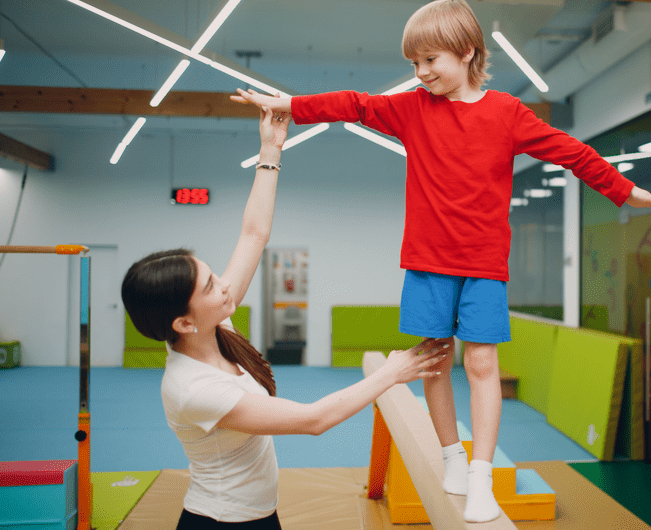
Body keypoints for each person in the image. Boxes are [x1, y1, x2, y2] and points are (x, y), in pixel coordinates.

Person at [230, 0, 651, 522]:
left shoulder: (507, 114)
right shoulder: (413, 109)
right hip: (427, 261)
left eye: (430, 60)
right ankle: (451, 456)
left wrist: (623, 190)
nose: (420, 73)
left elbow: (570, 152)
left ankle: (480, 475)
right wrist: (292, 106)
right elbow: (354, 104)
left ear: (466, 52)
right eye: (414, 64)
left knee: (482, 361)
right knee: (433, 362)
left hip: (484, 265)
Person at [120, 104, 449, 529]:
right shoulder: (192, 388)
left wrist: (270, 150)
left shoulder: (214, 323)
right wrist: (391, 372)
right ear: (183, 322)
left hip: (257, 515)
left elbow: (253, 234)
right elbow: (313, 421)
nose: (224, 285)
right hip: (223, 522)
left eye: (214, 275)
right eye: (210, 287)